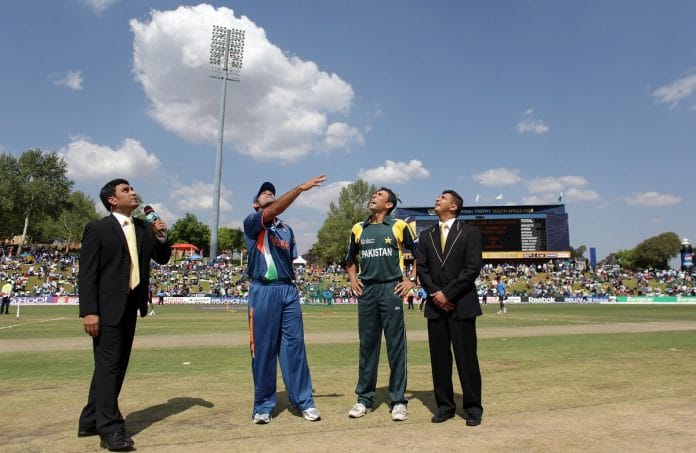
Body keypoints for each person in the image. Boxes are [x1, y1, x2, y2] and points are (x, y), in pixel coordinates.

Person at [77, 178, 171, 451]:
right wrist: (90, 311)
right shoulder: (98, 229)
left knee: (113, 366)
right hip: (105, 309)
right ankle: (110, 429)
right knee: (110, 367)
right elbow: (87, 273)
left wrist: (162, 236)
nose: (133, 192)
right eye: (126, 190)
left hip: (132, 306)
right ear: (112, 200)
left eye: (132, 188)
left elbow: (162, 258)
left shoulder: (143, 227)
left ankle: (90, 419)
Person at [243, 175, 326, 425]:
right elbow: (275, 209)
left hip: (287, 291)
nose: (269, 193)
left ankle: (304, 401)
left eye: (272, 192)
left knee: (295, 348)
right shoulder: (252, 222)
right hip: (263, 290)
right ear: (256, 204)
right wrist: (300, 188)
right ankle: (263, 405)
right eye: (264, 193)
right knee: (264, 350)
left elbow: (289, 258)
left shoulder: (287, 230)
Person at [345, 187, 416, 422]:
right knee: (367, 346)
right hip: (368, 290)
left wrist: (411, 280)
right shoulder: (359, 228)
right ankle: (364, 399)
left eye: (379, 195)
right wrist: (354, 279)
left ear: (389, 204)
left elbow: (419, 255)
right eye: (373, 194)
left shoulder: (398, 226)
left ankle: (398, 400)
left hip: (391, 288)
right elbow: (349, 260)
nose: (373, 196)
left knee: (395, 346)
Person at [415, 190, 484, 426]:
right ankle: (445, 406)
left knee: (466, 359)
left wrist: (449, 293)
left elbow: (472, 267)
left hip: (462, 304)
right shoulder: (426, 236)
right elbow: (422, 269)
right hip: (435, 306)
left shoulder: (470, 232)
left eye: (443, 197)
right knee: (439, 360)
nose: (437, 199)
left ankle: (473, 408)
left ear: (454, 206)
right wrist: (437, 295)